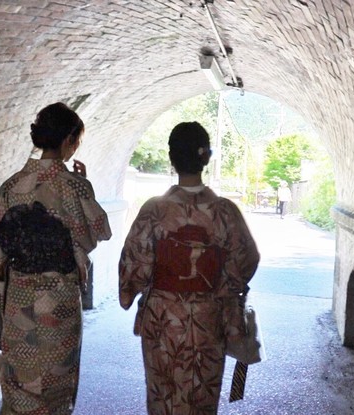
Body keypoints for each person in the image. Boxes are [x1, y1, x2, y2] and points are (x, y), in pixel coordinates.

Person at [0, 102, 112, 414]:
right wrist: (87, 187)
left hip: (19, 301)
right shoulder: (73, 187)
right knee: (56, 386)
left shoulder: (11, 187)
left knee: (19, 382)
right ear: (69, 140)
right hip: (60, 304)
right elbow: (97, 233)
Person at [119, 122, 260, 414]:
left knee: (162, 396)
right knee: (202, 398)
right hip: (209, 319)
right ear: (206, 157)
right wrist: (221, 290)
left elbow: (134, 263)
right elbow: (248, 259)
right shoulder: (224, 211)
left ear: (171, 158)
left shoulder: (154, 210)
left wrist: (136, 290)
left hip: (162, 321)